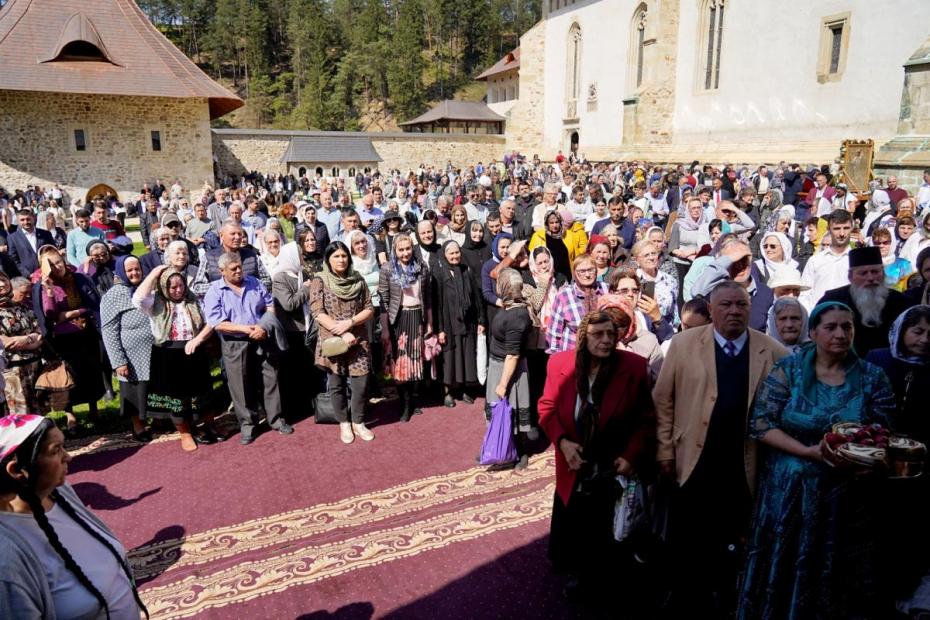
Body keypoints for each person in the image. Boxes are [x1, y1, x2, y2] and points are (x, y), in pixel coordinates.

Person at [737, 301, 896, 619]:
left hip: (846, 494)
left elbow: (883, 431)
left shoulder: (872, 377)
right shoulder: (789, 370)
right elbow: (761, 424)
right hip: (790, 490)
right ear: (813, 332)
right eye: (831, 327)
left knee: (837, 569)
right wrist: (807, 451)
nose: (840, 334)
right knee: (786, 563)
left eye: (847, 327)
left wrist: (863, 458)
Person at [654, 281, 788, 616]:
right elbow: (663, 401)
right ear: (711, 310)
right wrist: (665, 450)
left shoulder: (772, 351)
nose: (734, 311)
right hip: (694, 458)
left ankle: (730, 599)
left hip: (743, 462)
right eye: (725, 305)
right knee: (690, 536)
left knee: (735, 536)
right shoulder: (683, 345)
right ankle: (686, 598)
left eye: (741, 305)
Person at [538, 310, 655, 599]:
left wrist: (631, 455)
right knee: (573, 515)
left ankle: (601, 576)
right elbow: (547, 408)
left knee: (605, 523)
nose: (606, 340)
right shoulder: (559, 364)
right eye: (598, 334)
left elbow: (646, 419)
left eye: (611, 334)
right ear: (583, 337)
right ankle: (575, 570)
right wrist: (562, 442)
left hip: (612, 461)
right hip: (573, 458)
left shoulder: (634, 366)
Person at [0, 415, 149, 620]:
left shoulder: (58, 492)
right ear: (17, 470)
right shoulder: (6, 561)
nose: (68, 457)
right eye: (56, 450)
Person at [865, 305, 930, 615]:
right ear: (902, 331)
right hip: (876, 459)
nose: (925, 339)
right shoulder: (879, 360)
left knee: (912, 530)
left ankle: (905, 592)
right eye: (917, 331)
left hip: (920, 466)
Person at [205, 253, 292, 445]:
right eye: (233, 269)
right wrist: (246, 329)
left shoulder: (254, 282)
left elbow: (269, 305)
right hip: (234, 342)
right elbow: (217, 323)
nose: (239, 271)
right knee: (240, 385)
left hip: (262, 336)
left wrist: (263, 327)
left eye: (240, 267)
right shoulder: (215, 291)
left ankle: (276, 420)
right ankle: (248, 425)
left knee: (270, 378)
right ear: (222, 271)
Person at [309, 241, 376, 444]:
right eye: (336, 256)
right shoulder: (320, 280)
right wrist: (341, 331)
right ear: (328, 259)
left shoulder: (358, 279)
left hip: (358, 338)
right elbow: (318, 312)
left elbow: (369, 307)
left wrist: (350, 323)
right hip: (333, 339)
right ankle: (344, 423)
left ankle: (358, 422)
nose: (341, 260)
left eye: (344, 256)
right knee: (336, 383)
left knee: (361, 383)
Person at [33, 246, 103, 433]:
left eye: (58, 262)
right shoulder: (43, 286)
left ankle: (94, 409)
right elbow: (50, 315)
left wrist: (71, 313)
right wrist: (49, 290)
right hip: (64, 339)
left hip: (86, 333)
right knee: (70, 375)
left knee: (91, 370)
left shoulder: (77, 278)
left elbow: (91, 302)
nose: (57, 267)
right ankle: (70, 416)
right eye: (51, 265)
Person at [486, 268, 537, 470]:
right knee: (501, 411)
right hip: (498, 363)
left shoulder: (516, 315)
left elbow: (513, 355)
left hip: (508, 369)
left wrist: (502, 383)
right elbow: (494, 272)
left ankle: (520, 452)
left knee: (512, 409)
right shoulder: (510, 304)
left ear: (506, 287)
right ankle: (501, 446)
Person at [818, 246, 911, 357]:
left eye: (875, 272)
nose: (870, 278)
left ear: (883, 273)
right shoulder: (833, 299)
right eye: (863, 273)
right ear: (850, 276)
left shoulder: (899, 300)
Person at [379, 233, 432, 421]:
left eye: (408, 248)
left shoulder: (421, 267)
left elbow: (427, 298)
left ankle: (411, 401)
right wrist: (385, 329)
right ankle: (403, 403)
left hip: (417, 317)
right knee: (400, 363)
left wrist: (430, 323)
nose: (405, 253)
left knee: (414, 362)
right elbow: (384, 300)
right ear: (395, 250)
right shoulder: (387, 269)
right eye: (401, 249)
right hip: (398, 319)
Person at [100, 256, 153, 442]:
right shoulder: (112, 296)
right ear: (121, 272)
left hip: (154, 350)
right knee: (134, 391)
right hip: (131, 355)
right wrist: (118, 361)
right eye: (129, 270)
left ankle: (159, 419)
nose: (134, 273)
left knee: (156, 388)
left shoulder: (148, 287)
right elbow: (109, 331)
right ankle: (138, 427)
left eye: (137, 268)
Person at [435, 240, 486, 407]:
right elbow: (438, 304)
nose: (455, 256)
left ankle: (463, 389)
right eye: (451, 253)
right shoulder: (440, 274)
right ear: (445, 255)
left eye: (457, 252)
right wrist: (440, 329)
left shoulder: (466, 271)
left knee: (465, 357)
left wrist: (481, 320)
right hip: (449, 324)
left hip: (468, 323)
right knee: (450, 359)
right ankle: (448, 392)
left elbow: (476, 298)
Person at [546, 254, 608, 353]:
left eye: (591, 270)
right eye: (582, 271)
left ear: (596, 271)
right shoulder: (565, 295)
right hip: (572, 352)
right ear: (574, 273)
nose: (587, 275)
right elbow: (554, 331)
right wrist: (555, 356)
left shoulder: (606, 289)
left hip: (602, 352)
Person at [0, 275, 43, 414]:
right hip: (11, 370)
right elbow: (5, 343)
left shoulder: (23, 307)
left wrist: (26, 340)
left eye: (4, 279)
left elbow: (39, 334)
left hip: (34, 365)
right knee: (19, 412)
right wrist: (31, 339)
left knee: (38, 409)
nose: (2, 284)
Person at [799, 210, 854, 311]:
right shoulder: (815, 261)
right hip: (817, 316)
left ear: (852, 228)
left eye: (846, 228)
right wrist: (810, 314)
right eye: (837, 228)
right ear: (828, 229)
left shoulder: (857, 262)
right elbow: (804, 293)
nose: (842, 233)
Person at [7, 210, 54, 277]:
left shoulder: (45, 234)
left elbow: (53, 252)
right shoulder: (12, 238)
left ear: (33, 219)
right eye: (22, 220)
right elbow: (13, 260)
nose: (26, 222)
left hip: (49, 273)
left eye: (28, 219)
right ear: (18, 221)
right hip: (29, 277)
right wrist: (27, 274)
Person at [873, 227, 914, 291]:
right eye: (877, 243)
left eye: (885, 242)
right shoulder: (867, 265)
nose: (881, 246)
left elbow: (909, 288)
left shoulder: (904, 264)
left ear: (891, 243)